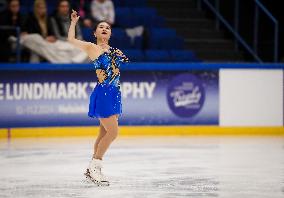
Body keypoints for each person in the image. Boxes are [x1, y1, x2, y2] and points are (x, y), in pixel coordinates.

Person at [68, 9, 129, 186]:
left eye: (107, 27)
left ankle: (92, 168)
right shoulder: (91, 47)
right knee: (113, 132)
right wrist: (73, 22)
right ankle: (95, 166)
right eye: (100, 27)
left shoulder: (116, 51)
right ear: (95, 33)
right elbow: (70, 40)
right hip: (103, 92)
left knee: (104, 132)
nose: (104, 28)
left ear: (110, 33)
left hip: (115, 93)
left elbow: (118, 69)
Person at [20, 0, 88, 63]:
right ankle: (68, 62)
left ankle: (72, 61)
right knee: (36, 49)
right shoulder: (53, 18)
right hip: (61, 41)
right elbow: (57, 36)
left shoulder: (73, 18)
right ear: (58, 8)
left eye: (66, 6)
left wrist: (76, 41)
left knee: (86, 48)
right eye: (62, 6)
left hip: (72, 42)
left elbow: (79, 35)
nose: (65, 8)